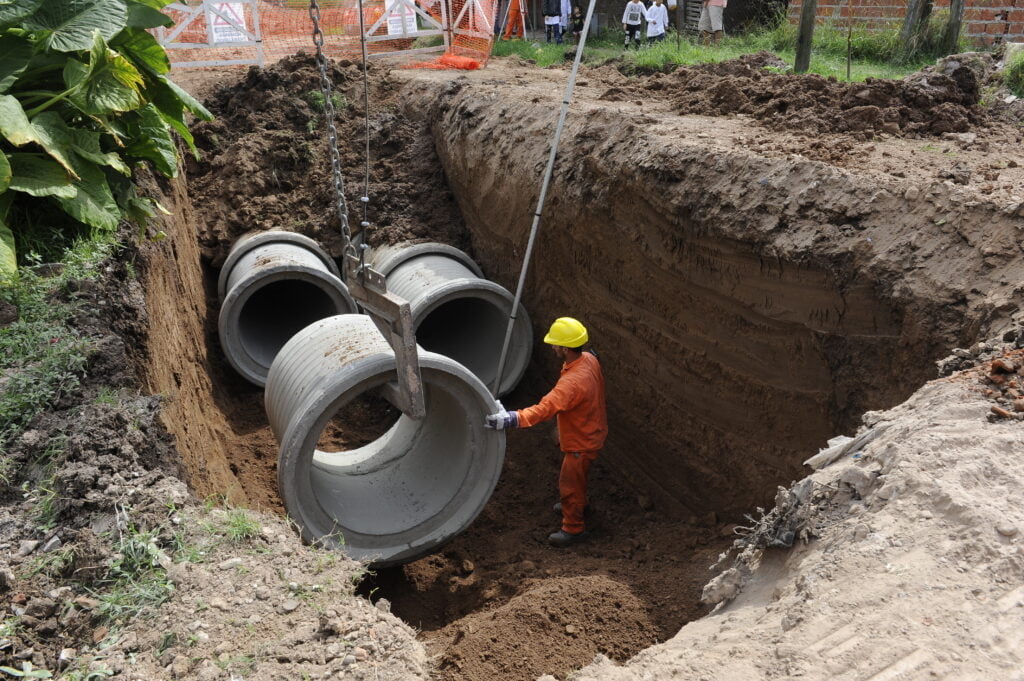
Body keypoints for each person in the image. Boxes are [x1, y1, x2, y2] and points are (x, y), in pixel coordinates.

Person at [485, 317, 607, 548]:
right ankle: (579, 503)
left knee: (569, 485)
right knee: (577, 478)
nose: (552, 347)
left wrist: (512, 418)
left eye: (555, 344)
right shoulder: (589, 360)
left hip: (581, 442)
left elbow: (544, 409)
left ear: (564, 348)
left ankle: (573, 529)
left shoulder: (571, 383)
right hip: (592, 430)